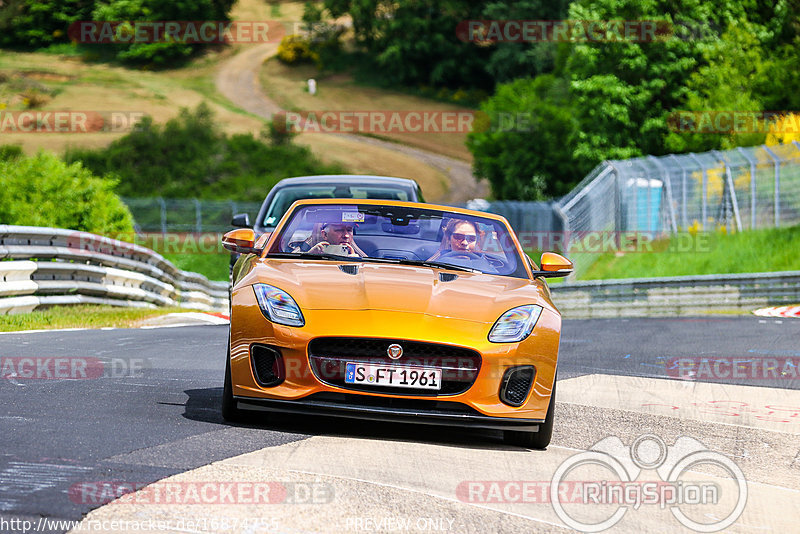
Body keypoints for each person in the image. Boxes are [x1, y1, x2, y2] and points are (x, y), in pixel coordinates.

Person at [292, 221, 366, 257]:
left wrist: (355, 261)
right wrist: (310, 256)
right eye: (339, 230)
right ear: (324, 234)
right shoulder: (313, 250)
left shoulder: (357, 256)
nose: (346, 235)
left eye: (349, 230)